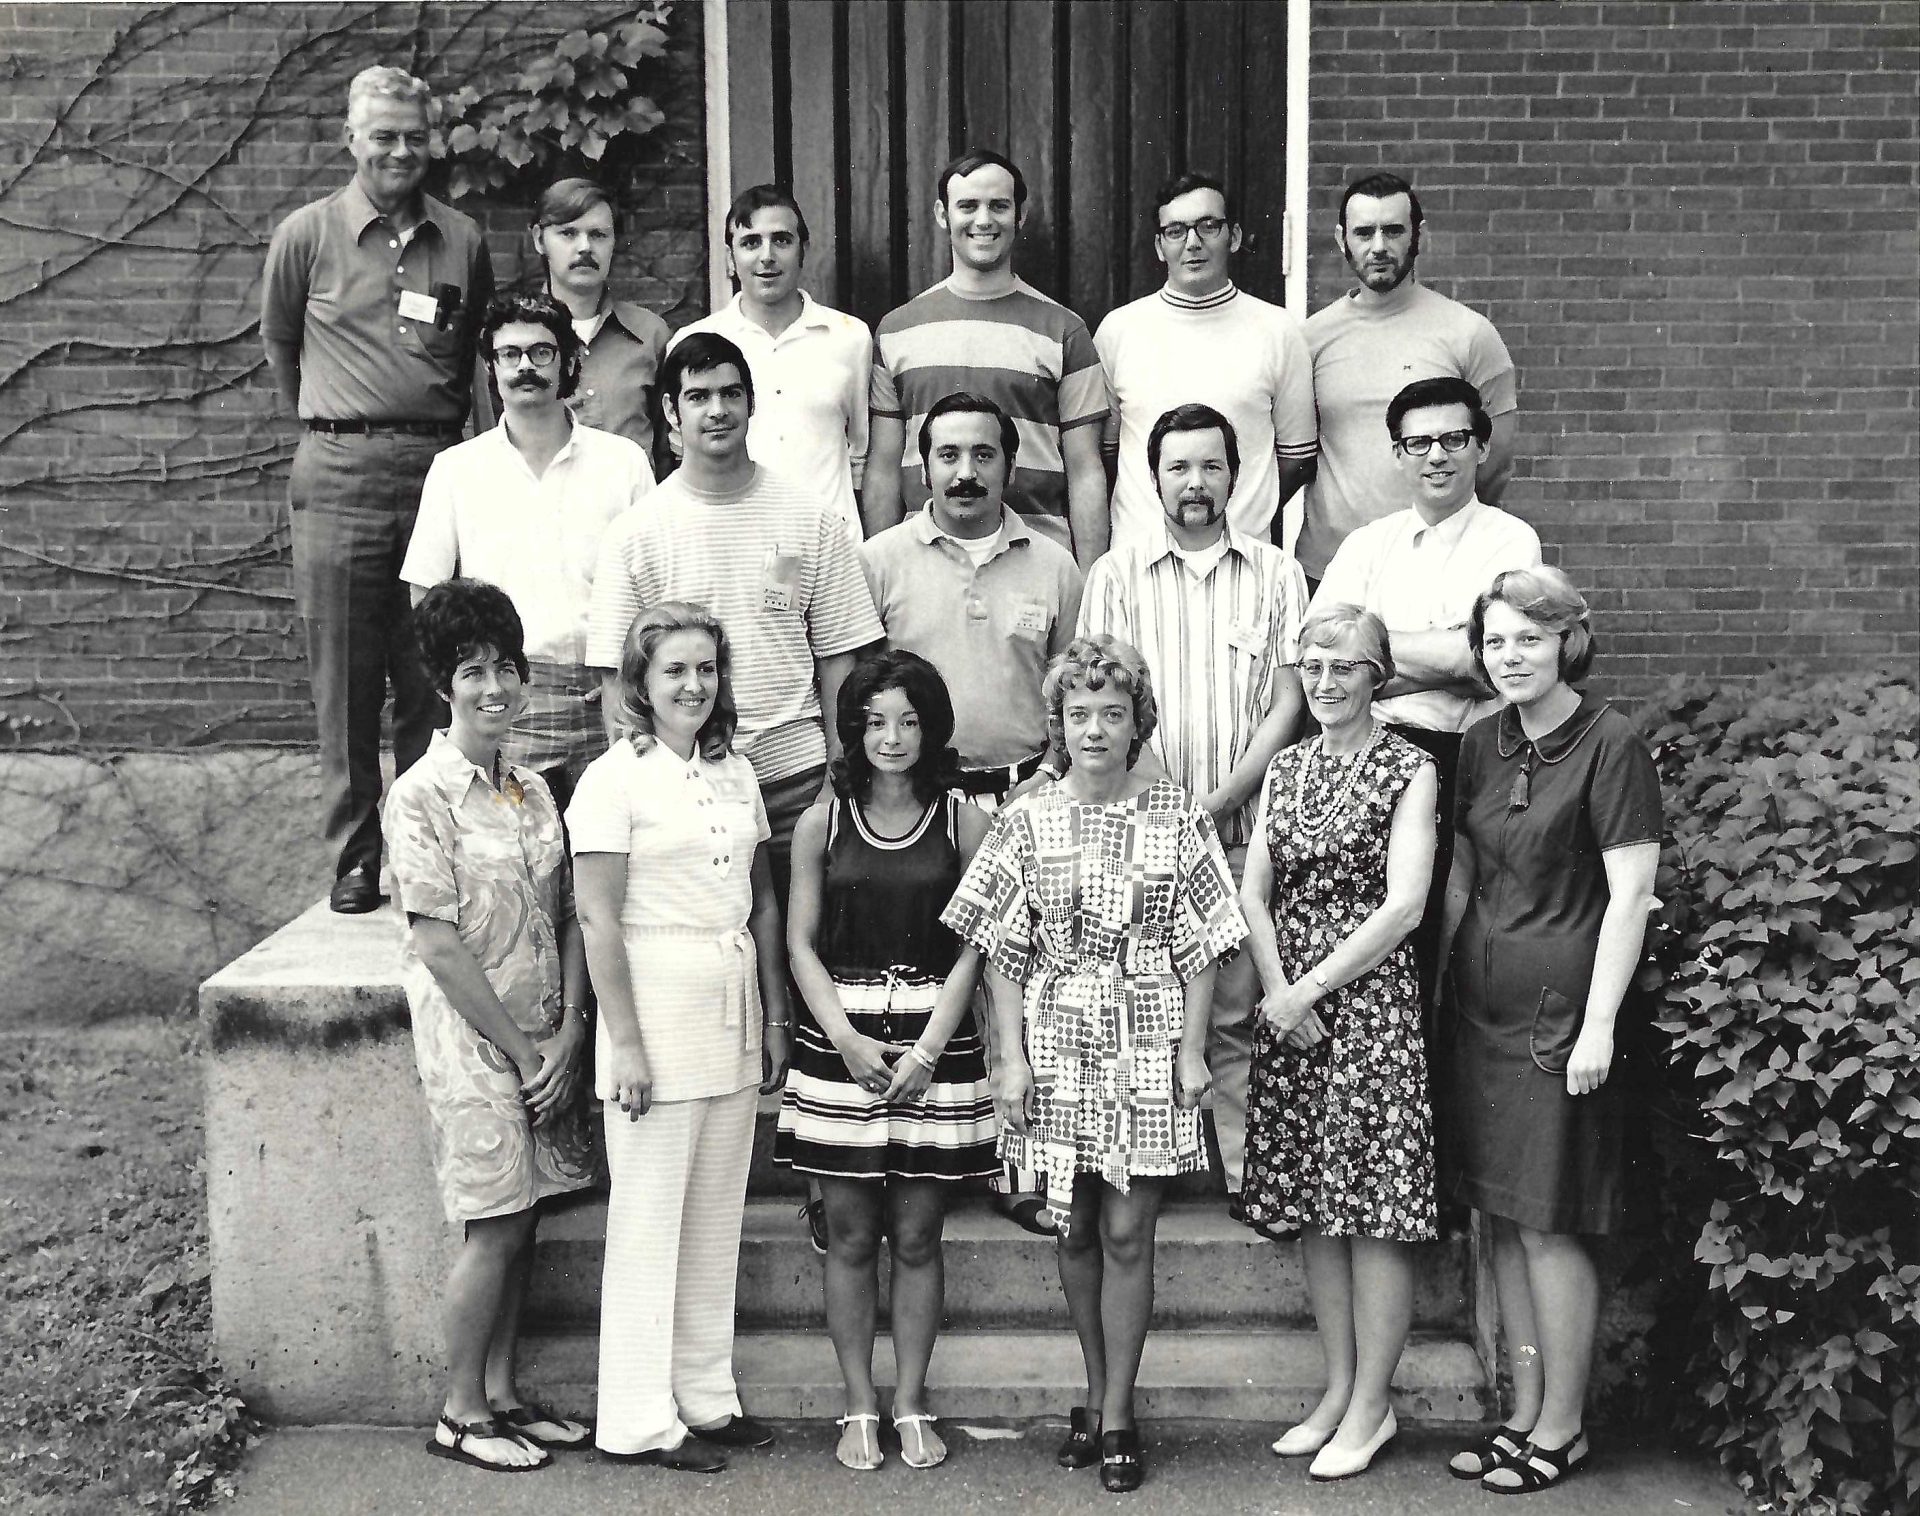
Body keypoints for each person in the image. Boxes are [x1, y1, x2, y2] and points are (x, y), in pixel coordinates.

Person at [942, 635, 1248, 1494]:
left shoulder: (1178, 815)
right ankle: (1093, 1387)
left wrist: (1194, 1052)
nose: (1096, 730)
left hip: (1147, 1036)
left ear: (1136, 723)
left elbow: (1203, 946)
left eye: (1113, 714)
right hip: (1056, 1040)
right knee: (1073, 1227)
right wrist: (1009, 1059)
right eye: (1079, 714)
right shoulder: (1025, 818)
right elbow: (1002, 952)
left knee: (1126, 1231)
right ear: (1059, 723)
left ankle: (1117, 1414)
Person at [1437, 567, 1660, 1493]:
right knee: (1502, 1220)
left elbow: (1631, 896)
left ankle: (1563, 1428)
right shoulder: (1479, 741)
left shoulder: (1612, 743)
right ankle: (1521, 1415)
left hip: (1560, 1020)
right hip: (1480, 1015)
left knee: (1550, 1226)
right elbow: (1463, 872)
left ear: (1568, 641)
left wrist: (1600, 1023)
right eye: (1494, 641)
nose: (1510, 656)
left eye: (1529, 638)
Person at [262, 65, 495, 913]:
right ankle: (356, 858)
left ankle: (425, 849)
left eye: (414, 136)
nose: (400, 151)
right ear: (349, 139)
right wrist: (338, 424)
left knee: (433, 667)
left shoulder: (462, 238)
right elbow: (281, 346)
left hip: (438, 468)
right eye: (383, 135)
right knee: (346, 677)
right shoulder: (307, 235)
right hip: (339, 471)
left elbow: (476, 353)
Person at [568, 602, 794, 1473]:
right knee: (648, 1221)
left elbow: (761, 901)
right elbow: (597, 917)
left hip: (729, 1007)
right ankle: (635, 1419)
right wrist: (623, 1043)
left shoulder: (735, 770)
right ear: (641, 682)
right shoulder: (611, 780)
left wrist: (774, 1015)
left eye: (706, 668)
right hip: (653, 1012)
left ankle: (704, 1395)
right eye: (674, 670)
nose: (693, 685)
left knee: (712, 1217)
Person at [860, 390, 1083, 1236]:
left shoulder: (1053, 564)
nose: (965, 472)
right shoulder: (880, 560)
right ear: (922, 465)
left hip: (1026, 795)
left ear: (1009, 463)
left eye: (982, 454)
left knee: (1021, 983)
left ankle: (1018, 1168)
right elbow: (862, 689)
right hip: (918, 801)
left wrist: (1050, 775)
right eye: (948, 455)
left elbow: (1072, 693)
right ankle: (899, 1161)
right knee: (912, 972)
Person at [384, 579, 592, 1474]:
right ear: (444, 685)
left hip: (546, 1039)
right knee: (495, 1224)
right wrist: (521, 1050)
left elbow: (572, 915)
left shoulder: (536, 791)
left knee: (528, 1216)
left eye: (506, 667)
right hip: (476, 1045)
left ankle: (503, 1397)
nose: (494, 687)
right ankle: (460, 1413)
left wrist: (570, 1031)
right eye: (472, 671)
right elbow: (436, 943)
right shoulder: (421, 797)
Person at [1079, 404, 1308, 1214]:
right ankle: (1142, 1175)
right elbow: (1101, 702)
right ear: (1153, 478)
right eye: (1178, 467)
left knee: (1237, 1014)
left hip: (1242, 836)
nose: (1196, 483)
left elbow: (1288, 704)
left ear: (1236, 475)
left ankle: (1245, 1179)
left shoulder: (1277, 574)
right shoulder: (1115, 576)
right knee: (1138, 1012)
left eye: (1211, 466)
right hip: (1138, 835)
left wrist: (1218, 801)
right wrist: (1171, 810)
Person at [775, 652, 997, 1472]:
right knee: (848, 1235)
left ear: (932, 728)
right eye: (874, 721)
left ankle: (910, 1401)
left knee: (917, 1235)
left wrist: (931, 1047)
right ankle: (858, 1405)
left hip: (935, 1042)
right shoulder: (822, 823)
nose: (892, 737)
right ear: (853, 730)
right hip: (845, 1042)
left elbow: (977, 944)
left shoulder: (964, 822)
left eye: (908, 721)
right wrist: (844, 1038)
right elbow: (799, 944)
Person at [1237, 605, 1439, 1482]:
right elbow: (1253, 893)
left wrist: (1308, 990)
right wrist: (1279, 991)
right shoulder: (1286, 767)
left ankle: (1373, 1406)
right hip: (1292, 1009)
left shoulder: (1410, 769)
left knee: (1371, 1209)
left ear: (1377, 676)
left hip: (1368, 1009)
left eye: (1344, 666)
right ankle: (1340, 1390)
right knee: (1315, 1204)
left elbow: (1406, 906)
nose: (1324, 681)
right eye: (1312, 666)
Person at [586, 332, 884, 923]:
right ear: (670, 411)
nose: (717, 410)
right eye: (697, 396)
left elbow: (841, 662)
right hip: (687, 786)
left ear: (752, 402)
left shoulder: (810, 518)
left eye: (730, 393)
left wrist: (837, 777)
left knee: (807, 946)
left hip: (798, 781)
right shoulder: (635, 533)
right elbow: (617, 682)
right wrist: (648, 785)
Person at [1312, 376, 1541, 1001]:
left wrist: (1375, 657)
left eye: (1453, 439)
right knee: (1365, 934)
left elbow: (1482, 659)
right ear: (1397, 453)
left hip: (1471, 758)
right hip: (1372, 758)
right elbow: (1324, 652)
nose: (1436, 455)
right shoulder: (1367, 545)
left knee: (1448, 940)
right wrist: (1445, 652)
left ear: (1482, 447)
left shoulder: (1510, 540)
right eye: (1418, 443)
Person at [402, 292, 654, 813]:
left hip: (609, 697)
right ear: (491, 368)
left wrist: (630, 685)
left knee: (614, 852)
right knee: (513, 854)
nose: (525, 367)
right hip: (507, 702)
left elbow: (654, 587)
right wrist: (475, 688)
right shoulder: (456, 470)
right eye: (510, 354)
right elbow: (426, 599)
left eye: (541, 352)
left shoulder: (623, 463)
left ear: (568, 362)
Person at [867, 148, 1110, 568]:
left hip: (1036, 564)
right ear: (942, 215)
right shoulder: (896, 330)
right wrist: (881, 571)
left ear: (1021, 215)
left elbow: (1086, 470)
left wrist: (1090, 580)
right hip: (923, 569)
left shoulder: (1065, 331)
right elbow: (883, 469)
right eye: (968, 206)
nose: (983, 220)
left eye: (999, 206)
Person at [1299, 172, 1516, 586]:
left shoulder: (1470, 335)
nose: (1379, 246)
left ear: (1420, 235)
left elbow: (1495, 464)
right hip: (1330, 570)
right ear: (1342, 240)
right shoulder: (1309, 340)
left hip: (1440, 570)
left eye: (1393, 230)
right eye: (1364, 232)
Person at [1095, 172, 1317, 553]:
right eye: (1176, 231)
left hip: (1242, 562)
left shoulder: (1278, 331)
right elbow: (1107, 455)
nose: (1193, 242)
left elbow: (1297, 458)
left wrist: (1243, 510)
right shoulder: (1119, 330)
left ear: (1233, 236)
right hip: (1141, 561)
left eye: (1208, 226)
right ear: (1159, 246)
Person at [669, 184, 872, 544]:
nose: (767, 256)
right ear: (730, 258)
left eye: (781, 240)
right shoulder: (694, 340)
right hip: (734, 545)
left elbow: (860, 453)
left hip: (829, 548)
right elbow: (685, 453)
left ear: (803, 250)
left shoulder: (849, 337)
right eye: (750, 243)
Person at [529, 177, 673, 472]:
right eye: (568, 233)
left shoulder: (652, 335)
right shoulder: (516, 337)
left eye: (598, 235)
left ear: (614, 242)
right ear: (539, 240)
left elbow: (669, 449)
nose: (585, 247)